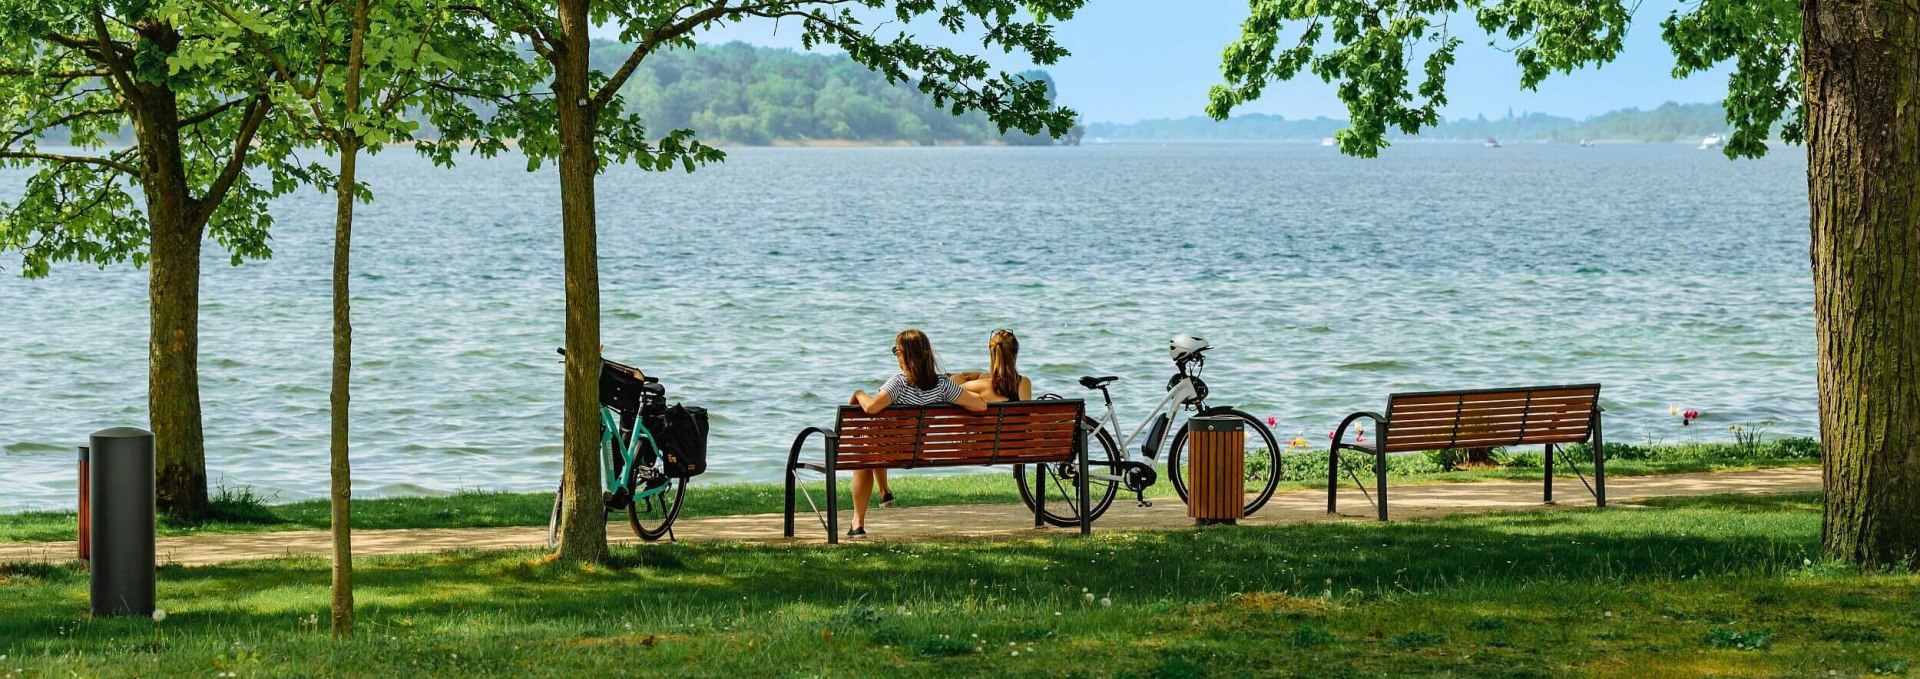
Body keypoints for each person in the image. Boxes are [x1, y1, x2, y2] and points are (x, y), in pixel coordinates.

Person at [846, 329, 986, 538]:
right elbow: (981, 406)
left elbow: (872, 408)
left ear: (907, 355)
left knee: (866, 453)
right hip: (916, 451)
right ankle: (884, 492)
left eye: (897, 351)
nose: (896, 355)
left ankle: (858, 522)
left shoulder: (899, 383)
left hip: (889, 450)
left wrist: (858, 393)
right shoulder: (943, 385)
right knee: (877, 441)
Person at [954, 329, 1032, 403]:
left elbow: (952, 391)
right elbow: (1026, 411)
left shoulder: (979, 386)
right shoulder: (1024, 382)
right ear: (1015, 355)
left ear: (992, 354)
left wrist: (981, 376)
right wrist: (982, 375)